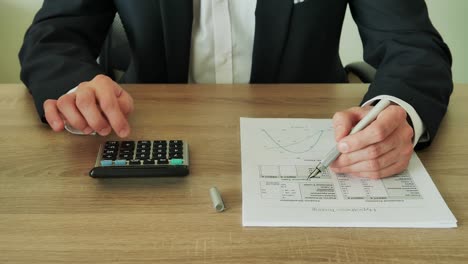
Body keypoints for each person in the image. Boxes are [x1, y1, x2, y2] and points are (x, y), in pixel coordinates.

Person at [18, 0, 453, 179]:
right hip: (151, 141)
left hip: (312, 149)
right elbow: (54, 35)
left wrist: (399, 109)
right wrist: (78, 87)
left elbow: (412, 44)